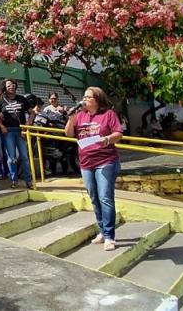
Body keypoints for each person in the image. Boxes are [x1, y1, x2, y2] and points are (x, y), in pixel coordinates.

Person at [65, 87, 123, 251]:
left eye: (88, 97)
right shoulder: (80, 115)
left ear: (97, 99)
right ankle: (103, 231)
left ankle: (110, 236)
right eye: (83, 97)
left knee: (105, 197)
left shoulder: (108, 114)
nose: (84, 99)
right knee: (94, 198)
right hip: (86, 163)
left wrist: (107, 139)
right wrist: (71, 119)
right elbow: (69, 134)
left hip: (106, 161)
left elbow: (119, 133)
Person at [0, 79, 35, 189]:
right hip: (8, 132)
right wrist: (1, 126)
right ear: (5, 88)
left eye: (13, 84)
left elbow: (32, 112)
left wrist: (28, 124)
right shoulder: (1, 101)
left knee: (24, 157)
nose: (11, 86)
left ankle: (28, 181)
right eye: (8, 85)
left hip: (21, 130)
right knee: (11, 158)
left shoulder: (22, 99)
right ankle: (13, 180)